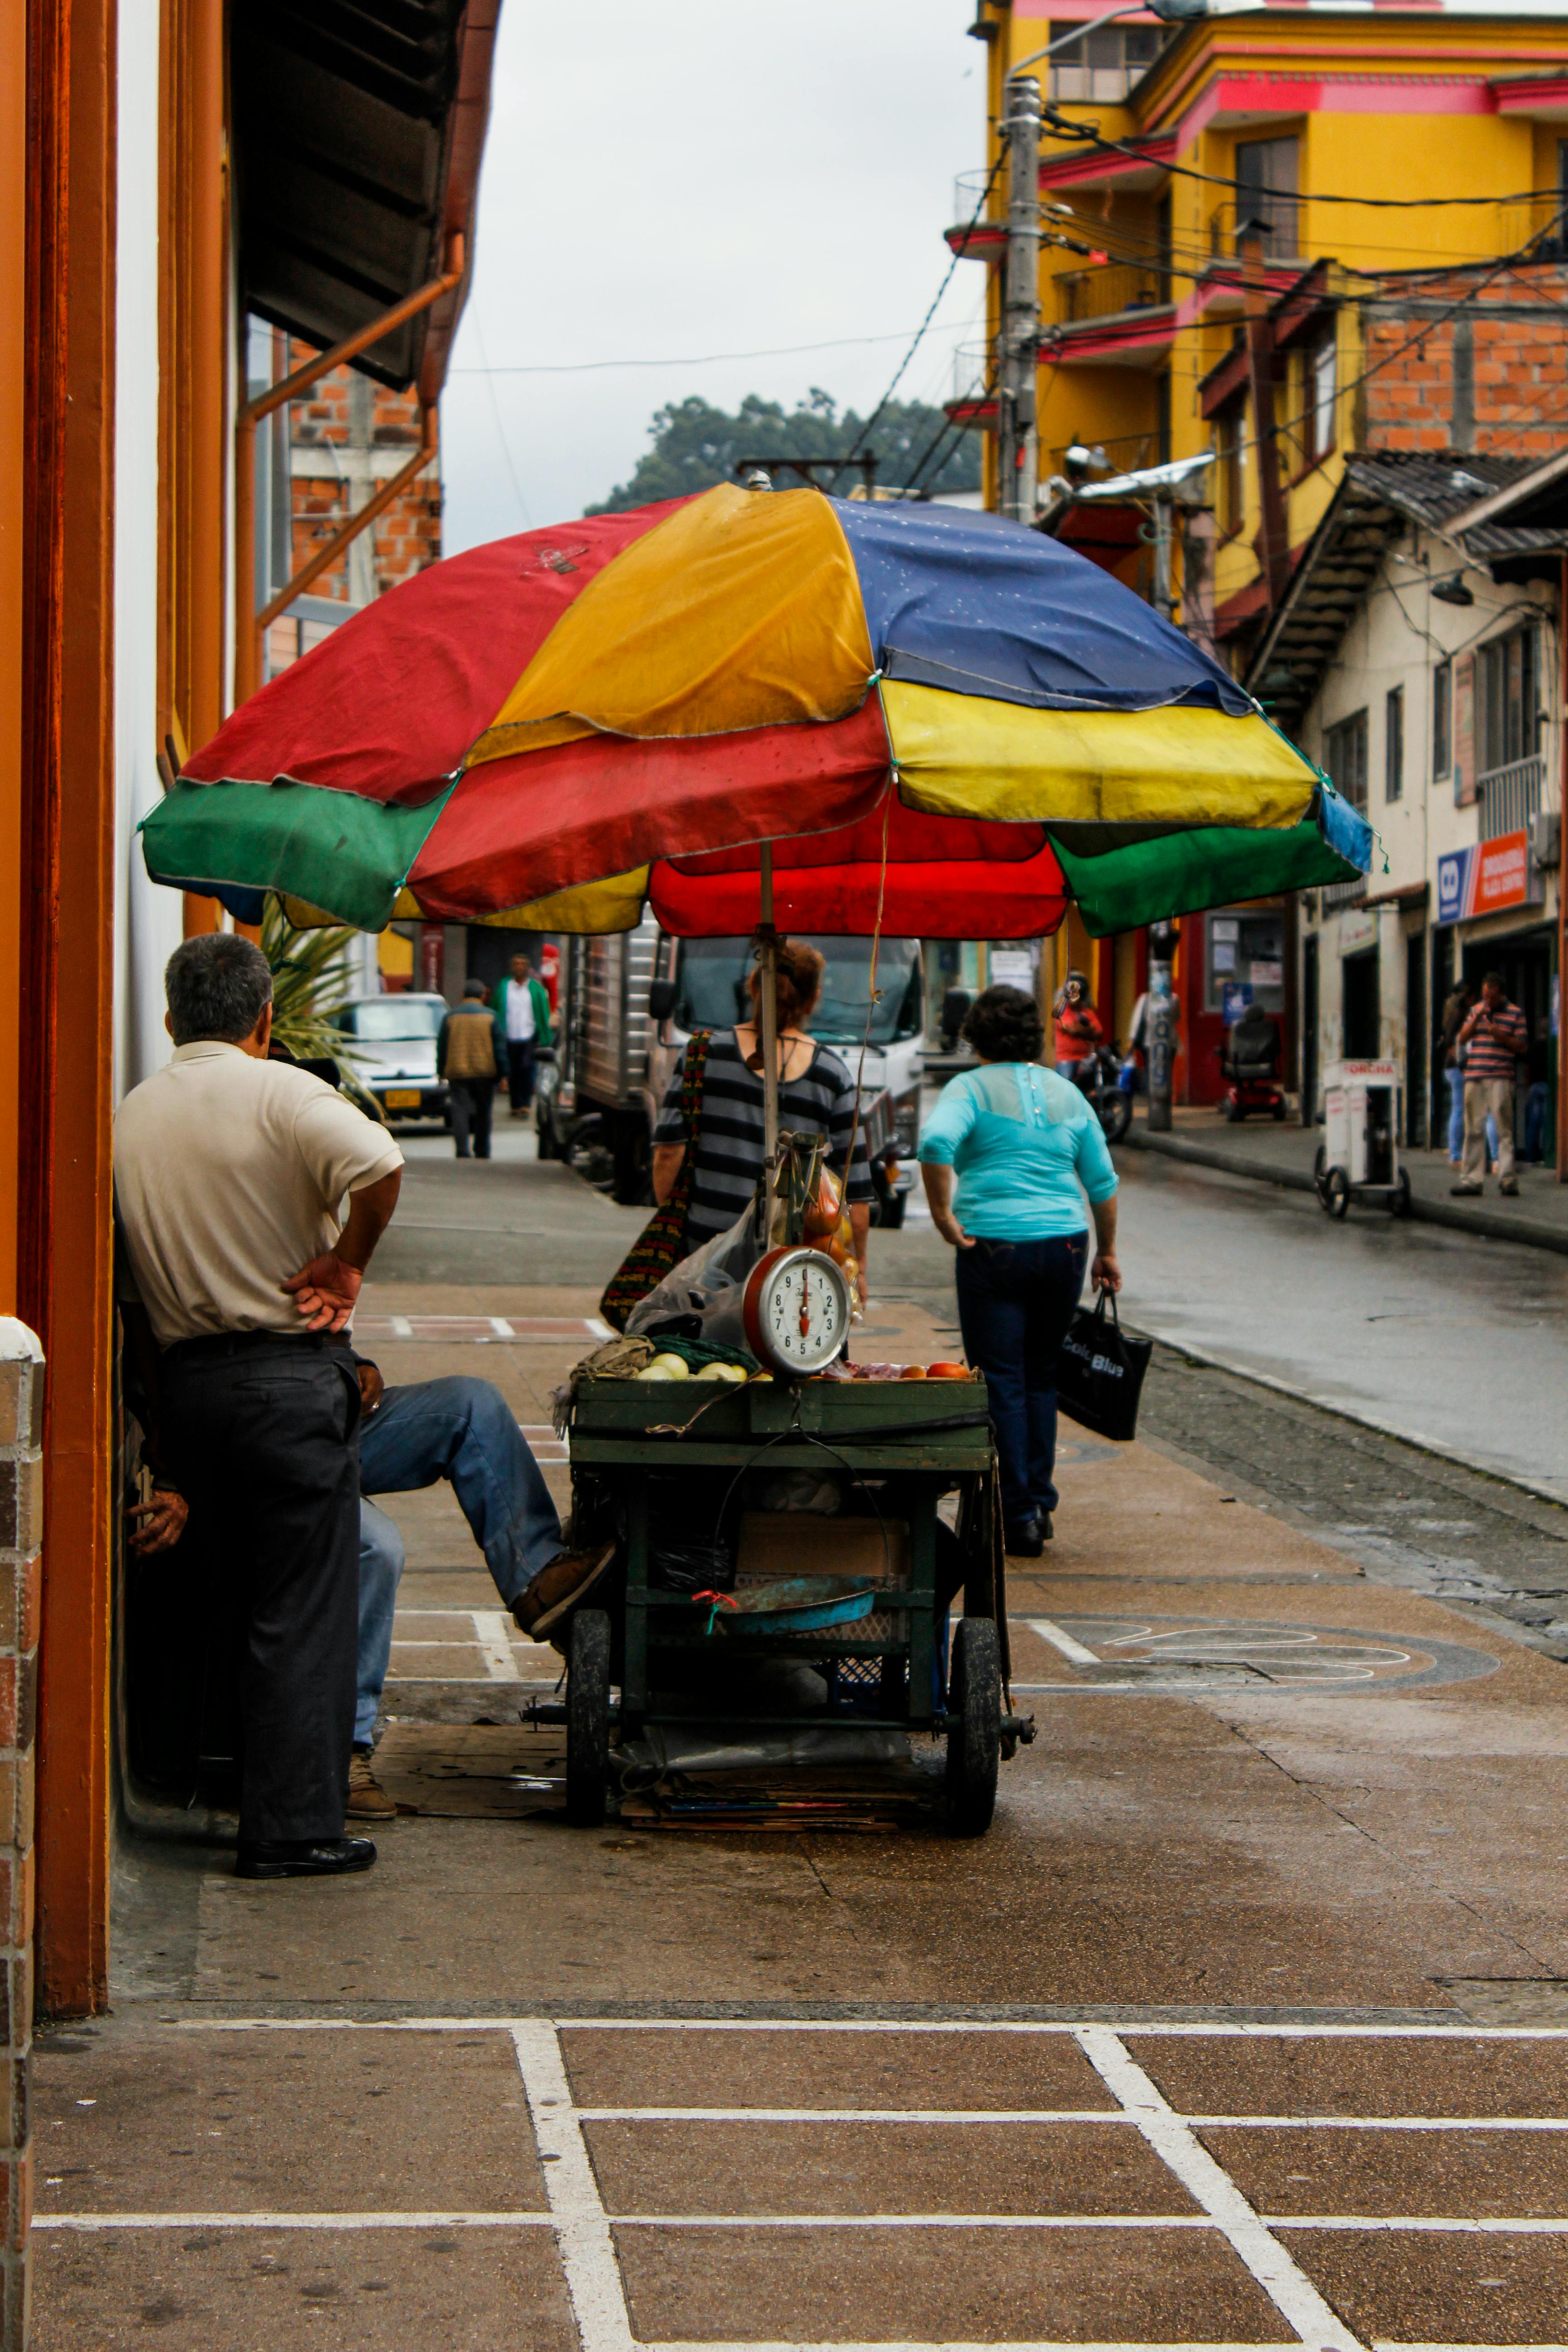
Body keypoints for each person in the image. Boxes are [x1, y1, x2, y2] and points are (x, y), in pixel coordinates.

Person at [114, 931, 403, 1881]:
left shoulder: (129, 1118)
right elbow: (381, 1164)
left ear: (170, 1018)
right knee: (301, 1609)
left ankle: (233, 1784)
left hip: (190, 1392)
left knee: (230, 1594)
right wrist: (347, 1262)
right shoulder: (283, 1091)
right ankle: (289, 1827)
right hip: (288, 1380)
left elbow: (132, 1302)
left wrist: (163, 1430)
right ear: (266, 1019)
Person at [133, 1364, 610, 1822]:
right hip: (253, 1440)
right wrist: (175, 1473)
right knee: (375, 1546)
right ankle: (341, 1750)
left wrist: (356, 1367)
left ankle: (537, 1583)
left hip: (321, 1421)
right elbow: (170, 1369)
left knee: (471, 1404)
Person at [918, 983, 1121, 1558]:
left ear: (976, 1036)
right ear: (1035, 1036)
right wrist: (1107, 1251)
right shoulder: (1067, 1092)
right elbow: (1102, 1181)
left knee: (1001, 1377)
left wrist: (943, 1216)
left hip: (993, 1246)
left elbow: (935, 1142)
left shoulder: (969, 1089)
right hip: (1065, 1247)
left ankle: (1017, 1512)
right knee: (1041, 1376)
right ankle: (1040, 1503)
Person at [649, 937, 875, 1292]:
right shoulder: (833, 1075)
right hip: (793, 1263)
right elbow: (855, 1191)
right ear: (813, 1000)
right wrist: (858, 1270)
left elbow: (668, 1153)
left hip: (705, 1252)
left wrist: (675, 1230)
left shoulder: (703, 1055)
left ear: (754, 986)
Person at [1453, 970, 1528, 1198]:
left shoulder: (1515, 1013)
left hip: (1500, 1076)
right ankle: (1471, 1180)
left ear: (1502, 995)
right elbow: (1461, 1039)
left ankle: (1507, 1178)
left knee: (1504, 1129)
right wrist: (1476, 1019)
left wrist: (1502, 1036)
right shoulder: (1476, 1010)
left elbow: (1522, 1046)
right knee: (1473, 1129)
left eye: (1492, 997)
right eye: (1485, 995)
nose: (1488, 1001)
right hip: (1475, 1075)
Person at [439, 980, 507, 1160]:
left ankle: (462, 1150)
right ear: (483, 996)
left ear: (463, 995)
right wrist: (503, 1073)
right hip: (485, 1072)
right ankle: (482, 1149)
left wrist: (441, 1070)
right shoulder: (491, 1017)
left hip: (458, 1071)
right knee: (484, 1111)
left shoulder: (450, 1017)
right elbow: (500, 1049)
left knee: (460, 1111)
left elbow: (442, 1047)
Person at [491, 951, 554, 1117]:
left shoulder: (536, 989)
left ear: (527, 968)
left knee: (527, 1069)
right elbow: (495, 1009)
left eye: (522, 964)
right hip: (509, 1036)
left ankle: (526, 1104)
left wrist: (546, 1037)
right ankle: (515, 1104)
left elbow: (544, 1014)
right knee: (513, 1071)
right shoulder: (504, 987)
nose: (519, 967)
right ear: (512, 967)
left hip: (529, 1037)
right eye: (516, 964)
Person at [1438, 980, 1474, 1166]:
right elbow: (1450, 1042)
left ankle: (1456, 1152)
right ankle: (1456, 1154)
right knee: (1459, 1109)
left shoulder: (1455, 1013)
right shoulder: (1460, 1015)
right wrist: (1462, 1063)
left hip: (1453, 1068)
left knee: (1459, 1109)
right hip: (1457, 1068)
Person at [1053, 969, 1104, 1084]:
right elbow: (1073, 1030)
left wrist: (1081, 1030)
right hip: (1067, 1060)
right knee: (1066, 1087)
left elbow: (1099, 1033)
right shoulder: (1062, 1011)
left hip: (1086, 1059)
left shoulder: (1087, 1012)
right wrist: (1089, 1030)